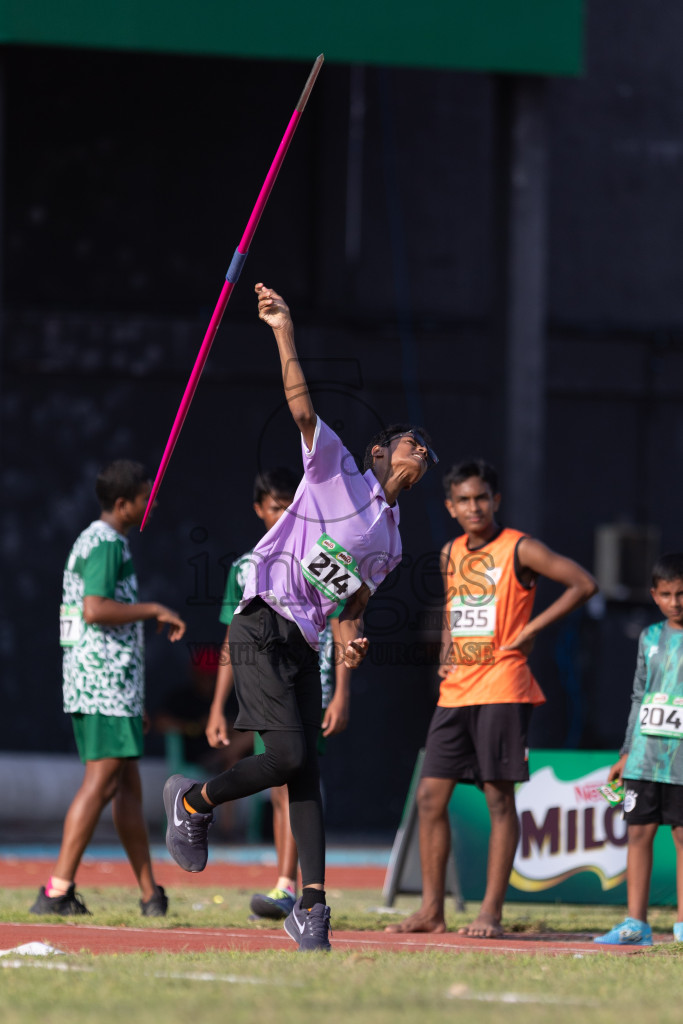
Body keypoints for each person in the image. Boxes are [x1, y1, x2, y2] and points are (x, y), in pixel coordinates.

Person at [163, 282, 436, 951]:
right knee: (286, 755)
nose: (419, 449)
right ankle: (194, 800)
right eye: (408, 441)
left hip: (303, 641)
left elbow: (352, 606)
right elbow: (301, 408)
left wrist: (352, 640)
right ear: (378, 452)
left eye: (425, 448)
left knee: (305, 769)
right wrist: (282, 328)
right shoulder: (336, 468)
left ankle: (311, 907)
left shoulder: (392, 540)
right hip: (261, 620)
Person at [387, 458, 597, 939]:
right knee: (429, 797)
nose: (474, 506)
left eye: (481, 497)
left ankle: (490, 913)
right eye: (463, 500)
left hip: (503, 685)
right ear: (450, 506)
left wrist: (533, 629)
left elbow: (583, 584)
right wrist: (444, 652)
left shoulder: (520, 547)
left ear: (495, 500)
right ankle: (431, 912)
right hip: (456, 689)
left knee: (499, 801)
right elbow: (452, 608)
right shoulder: (449, 552)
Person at [31, 460, 186, 917]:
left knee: (128, 789)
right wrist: (153, 608)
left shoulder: (101, 540)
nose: (150, 503)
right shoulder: (105, 544)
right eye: (144, 497)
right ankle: (57, 890)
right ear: (123, 505)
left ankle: (149, 895)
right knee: (100, 784)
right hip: (103, 686)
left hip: (110, 686)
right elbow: (95, 610)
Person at [205, 468, 352, 920]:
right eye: (273, 505)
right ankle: (288, 883)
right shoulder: (246, 567)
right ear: (258, 509)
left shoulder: (322, 551)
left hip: (313, 680)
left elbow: (347, 617)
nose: (283, 512)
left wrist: (343, 691)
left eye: (290, 503)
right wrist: (217, 706)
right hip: (266, 681)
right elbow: (235, 637)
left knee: (297, 779)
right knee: (279, 783)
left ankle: (295, 887)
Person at [595, 553, 683, 947]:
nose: (676, 602)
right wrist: (627, 751)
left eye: (682, 594)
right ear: (654, 595)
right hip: (645, 758)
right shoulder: (648, 638)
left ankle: (682, 924)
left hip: (680, 764)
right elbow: (638, 695)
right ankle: (636, 924)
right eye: (667, 594)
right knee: (639, 834)